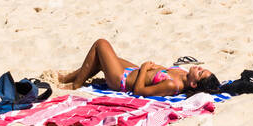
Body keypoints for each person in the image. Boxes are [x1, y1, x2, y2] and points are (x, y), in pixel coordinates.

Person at [60, 38, 220, 96]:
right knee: (101, 59)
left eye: (200, 72)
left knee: (101, 44)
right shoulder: (182, 74)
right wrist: (156, 67)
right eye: (202, 68)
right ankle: (65, 78)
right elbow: (162, 71)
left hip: (122, 81)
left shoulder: (172, 85)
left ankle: (75, 84)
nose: (198, 68)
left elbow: (139, 91)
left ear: (193, 84)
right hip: (132, 72)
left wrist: (144, 69)